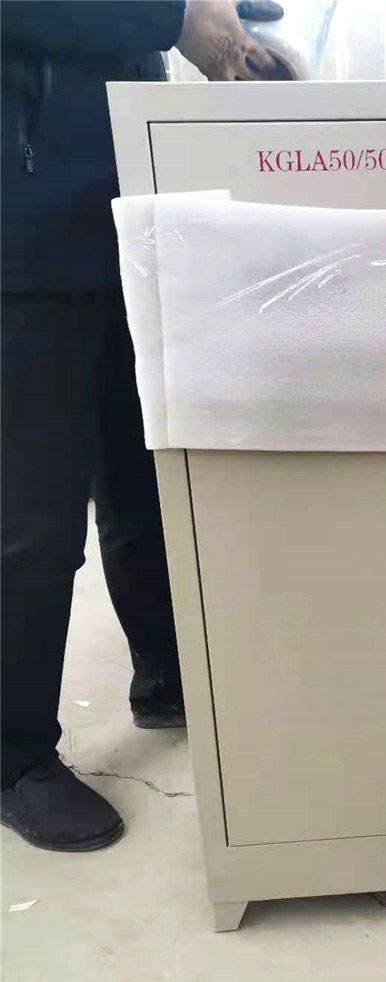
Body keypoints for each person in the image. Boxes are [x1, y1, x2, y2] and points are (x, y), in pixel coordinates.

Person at [1, 0, 283, 852]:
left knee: (147, 468)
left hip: (132, 205)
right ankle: (13, 757)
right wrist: (172, 15)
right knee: (34, 518)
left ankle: (166, 672)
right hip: (21, 225)